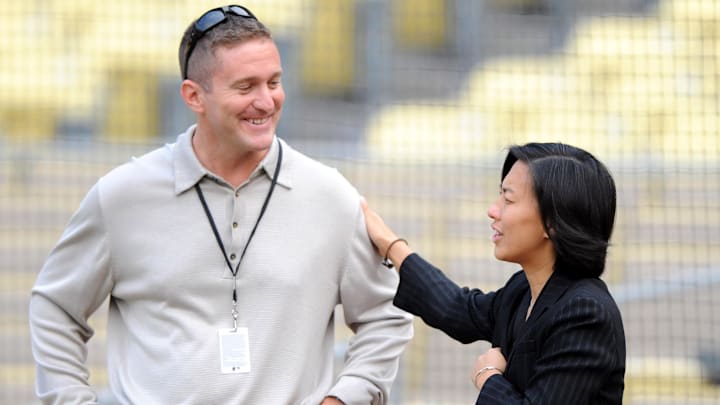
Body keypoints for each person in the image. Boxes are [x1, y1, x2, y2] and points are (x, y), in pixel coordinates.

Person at [29, 5, 412, 405]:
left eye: (274, 82)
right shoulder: (120, 196)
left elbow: (385, 316)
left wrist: (344, 398)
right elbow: (55, 307)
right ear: (194, 96)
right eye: (246, 87)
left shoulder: (331, 196)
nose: (266, 102)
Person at [361, 142, 626, 404]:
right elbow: (458, 308)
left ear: (553, 223)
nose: (493, 210)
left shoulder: (585, 314)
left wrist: (488, 377)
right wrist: (390, 245)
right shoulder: (523, 289)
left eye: (508, 199)